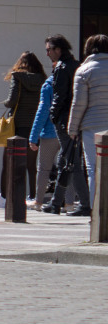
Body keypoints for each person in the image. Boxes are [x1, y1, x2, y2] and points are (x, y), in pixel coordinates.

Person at [0, 52, 43, 209]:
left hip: (16, 126)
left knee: (8, 164)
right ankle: (32, 197)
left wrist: (5, 103)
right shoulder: (42, 79)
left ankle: (5, 197)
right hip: (34, 126)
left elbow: (12, 100)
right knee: (31, 166)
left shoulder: (17, 77)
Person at [42, 35, 90, 215]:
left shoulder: (62, 67)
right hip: (77, 119)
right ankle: (56, 202)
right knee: (66, 159)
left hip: (65, 120)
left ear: (58, 49)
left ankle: (84, 204)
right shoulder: (76, 66)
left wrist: (54, 115)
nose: (47, 53)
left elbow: (59, 96)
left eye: (49, 49)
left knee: (72, 162)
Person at [69, 34, 108, 210]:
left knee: (93, 170)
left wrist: (73, 128)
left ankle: (97, 213)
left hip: (92, 126)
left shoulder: (84, 70)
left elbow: (79, 104)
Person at [28, 69, 59, 209]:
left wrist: (33, 137)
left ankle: (39, 201)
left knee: (43, 169)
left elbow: (42, 111)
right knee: (69, 168)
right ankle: (69, 203)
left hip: (50, 133)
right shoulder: (73, 82)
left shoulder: (48, 85)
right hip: (68, 132)